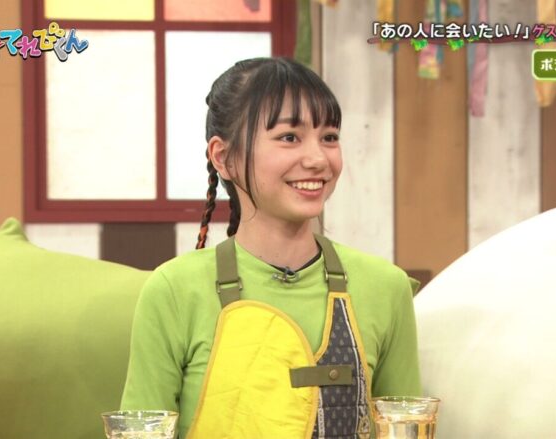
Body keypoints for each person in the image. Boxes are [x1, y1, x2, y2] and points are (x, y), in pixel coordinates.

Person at [120, 57, 421, 439]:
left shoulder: (386, 287)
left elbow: (408, 423)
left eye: (329, 137)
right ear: (224, 157)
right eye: (289, 137)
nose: (318, 159)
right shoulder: (174, 291)